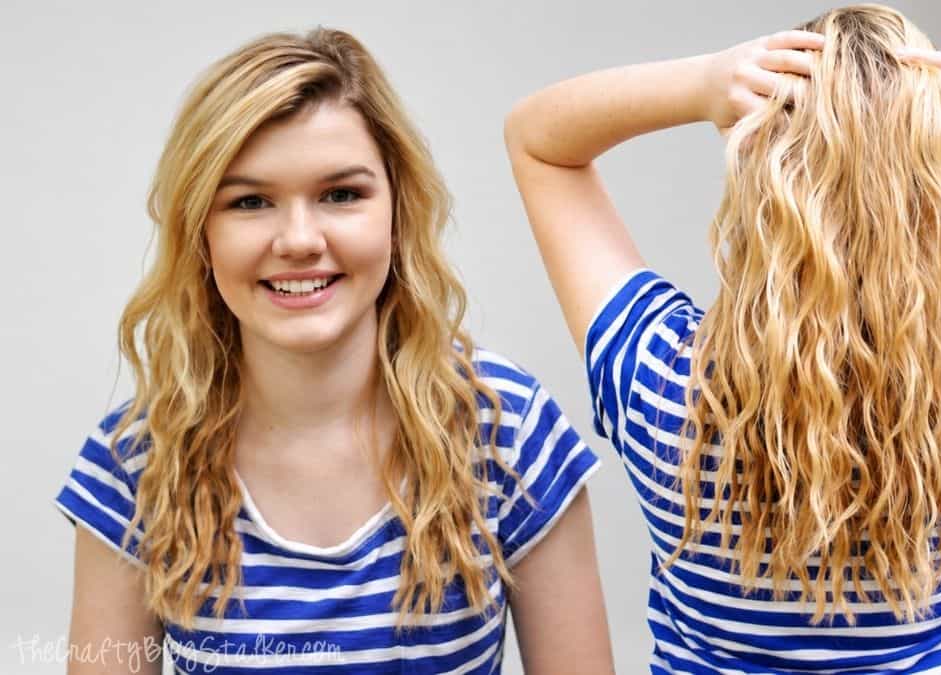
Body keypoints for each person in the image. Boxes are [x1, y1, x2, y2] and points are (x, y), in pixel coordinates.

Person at [504, 3, 941, 673]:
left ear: (761, 180)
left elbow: (537, 140)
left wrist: (702, 83)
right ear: (939, 187)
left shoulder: (663, 384)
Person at [56, 28, 613, 674]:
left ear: (397, 210)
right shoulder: (136, 460)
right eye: (250, 201)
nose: (298, 239)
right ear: (200, 232)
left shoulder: (507, 429)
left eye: (341, 194)